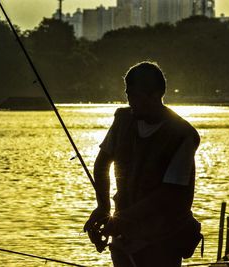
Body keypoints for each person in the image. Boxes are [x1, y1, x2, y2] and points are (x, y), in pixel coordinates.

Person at [84, 61, 202, 267]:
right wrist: (103, 207)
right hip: (125, 237)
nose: (130, 102)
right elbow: (103, 162)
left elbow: (168, 193)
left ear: (155, 96)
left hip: (164, 239)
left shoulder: (182, 135)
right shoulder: (123, 120)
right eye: (128, 95)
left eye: (135, 96)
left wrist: (120, 220)